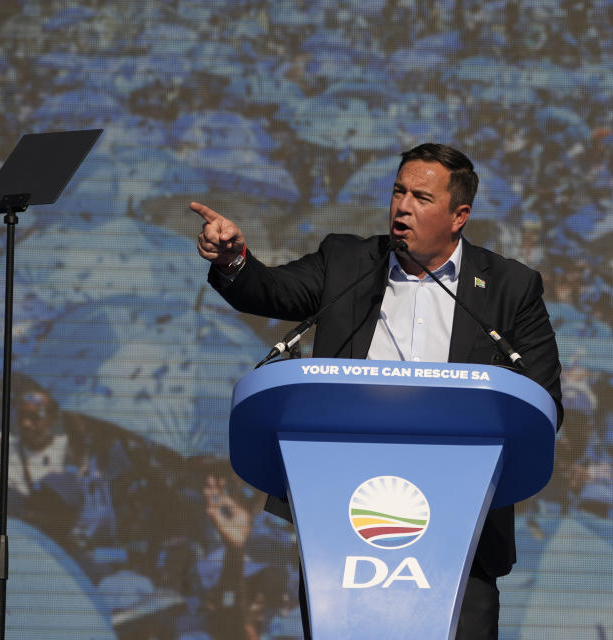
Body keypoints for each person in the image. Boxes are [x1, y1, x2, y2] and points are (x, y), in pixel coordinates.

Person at [191, 143, 563, 639]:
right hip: (345, 526)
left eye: (422, 198)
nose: (403, 207)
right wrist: (236, 261)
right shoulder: (347, 262)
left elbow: (543, 401)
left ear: (459, 216)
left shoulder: (509, 287)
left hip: (464, 533)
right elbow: (272, 291)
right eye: (398, 192)